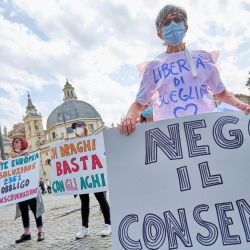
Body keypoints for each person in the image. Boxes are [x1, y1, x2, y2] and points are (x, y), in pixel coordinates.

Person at [120, 4, 250, 135]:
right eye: (166, 23)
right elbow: (139, 103)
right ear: (159, 34)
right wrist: (129, 118)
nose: (172, 25)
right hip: (172, 136)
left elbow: (222, 94)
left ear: (185, 27)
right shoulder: (153, 68)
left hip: (207, 131)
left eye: (177, 20)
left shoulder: (203, 59)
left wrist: (242, 106)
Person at [71, 120, 111, 239]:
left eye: (78, 127)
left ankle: (108, 224)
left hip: (95, 175)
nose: (76, 130)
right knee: (84, 202)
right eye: (74, 128)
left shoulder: (95, 140)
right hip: (82, 176)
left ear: (84, 127)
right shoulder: (73, 144)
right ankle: (85, 228)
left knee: (101, 199)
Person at [1, 137, 45, 243]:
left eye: (17, 142)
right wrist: (2, 163)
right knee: (24, 211)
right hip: (20, 190)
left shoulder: (28, 155)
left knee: (36, 210)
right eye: (14, 143)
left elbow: (34, 167)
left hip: (31, 188)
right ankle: (27, 233)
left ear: (22, 143)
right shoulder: (12, 158)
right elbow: (8, 170)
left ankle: (40, 231)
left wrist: (28, 157)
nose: (15, 144)